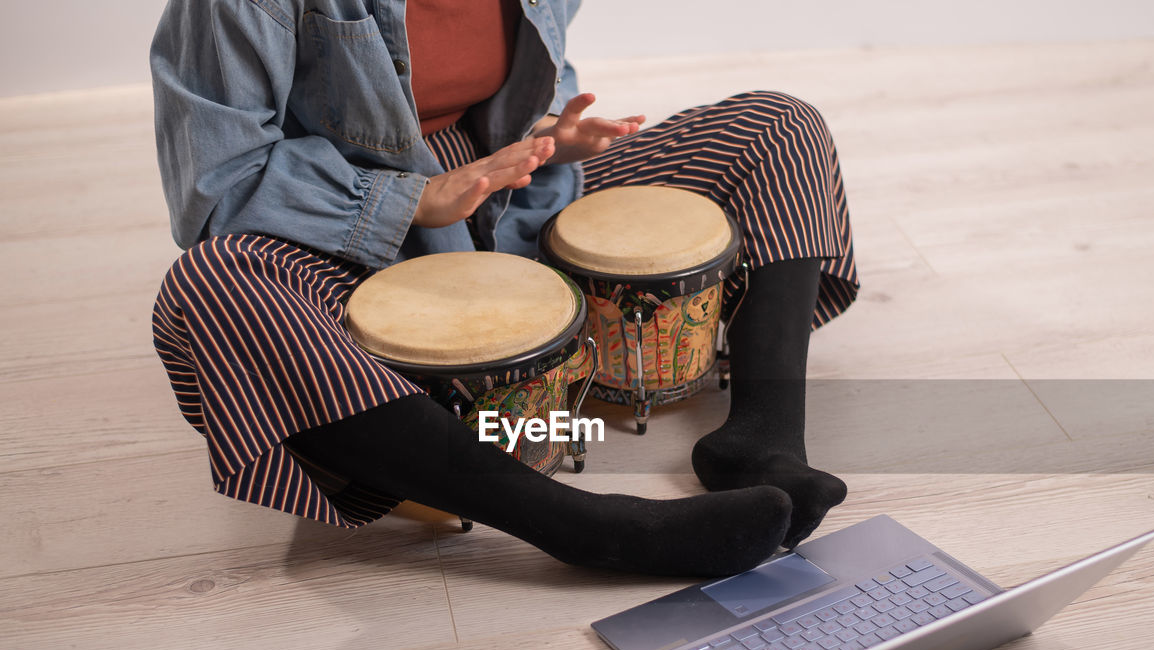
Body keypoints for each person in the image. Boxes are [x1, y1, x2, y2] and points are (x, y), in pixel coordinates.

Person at [149, 0, 858, 577]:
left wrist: (556, 134)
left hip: (517, 199)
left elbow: (512, 88)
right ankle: (582, 526)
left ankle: (763, 441)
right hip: (362, 237)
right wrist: (413, 202)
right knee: (209, 285)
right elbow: (217, 187)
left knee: (778, 126)